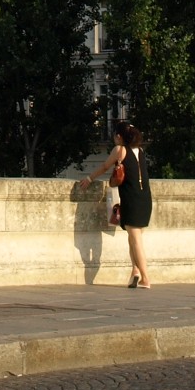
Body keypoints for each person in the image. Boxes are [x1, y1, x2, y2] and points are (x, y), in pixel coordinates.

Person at [80, 122, 152, 288]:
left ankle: (145, 278)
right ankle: (135, 270)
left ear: (119, 136)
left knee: (135, 239)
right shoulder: (140, 151)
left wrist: (89, 178)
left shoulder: (120, 150)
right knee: (133, 238)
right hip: (145, 198)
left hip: (131, 198)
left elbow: (105, 166)